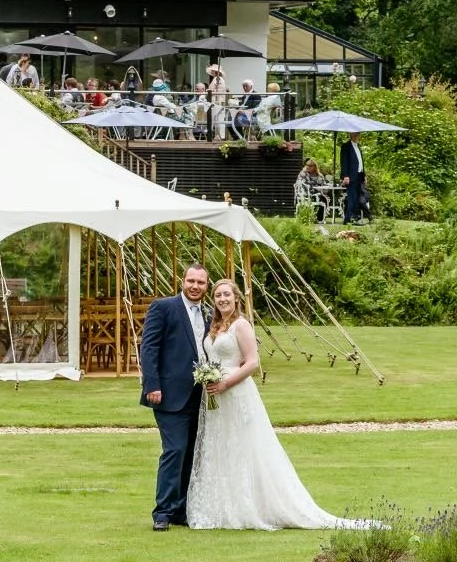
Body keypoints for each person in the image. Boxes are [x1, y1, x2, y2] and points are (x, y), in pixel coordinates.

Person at [186, 280, 372, 530]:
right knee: (222, 445)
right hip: (216, 395)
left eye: (227, 295)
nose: (222, 299)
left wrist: (225, 383)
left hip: (236, 391)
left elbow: (252, 363)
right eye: (218, 295)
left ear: (236, 298)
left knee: (245, 446)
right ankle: (226, 508)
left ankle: (253, 507)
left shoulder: (241, 325)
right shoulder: (215, 326)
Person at [138, 264, 211, 531]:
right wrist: (152, 385)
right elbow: (149, 347)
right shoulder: (163, 307)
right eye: (191, 280)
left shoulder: (209, 313)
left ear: (206, 286)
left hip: (200, 397)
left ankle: (181, 509)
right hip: (168, 395)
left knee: (192, 453)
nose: (195, 286)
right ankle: (163, 512)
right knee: (175, 450)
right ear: (182, 281)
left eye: (200, 282)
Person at [340, 131, 368, 224]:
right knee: (352, 197)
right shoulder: (346, 146)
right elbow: (344, 162)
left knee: (356, 198)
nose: (357, 136)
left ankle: (349, 218)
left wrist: (364, 176)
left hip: (359, 175)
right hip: (351, 176)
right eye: (355, 134)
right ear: (351, 135)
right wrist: (345, 176)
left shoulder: (358, 146)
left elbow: (361, 162)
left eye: (358, 135)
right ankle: (351, 218)